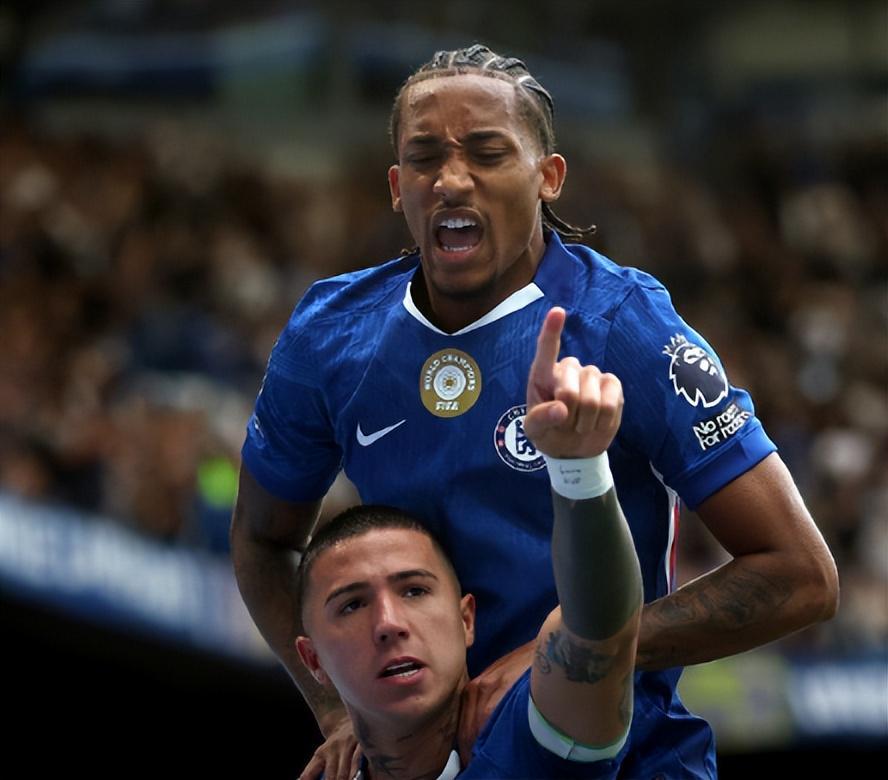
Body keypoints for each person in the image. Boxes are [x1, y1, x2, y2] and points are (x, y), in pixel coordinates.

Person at [230, 44, 839, 780]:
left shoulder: (624, 326)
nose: (451, 180)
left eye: (486, 153)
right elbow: (262, 539)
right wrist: (334, 707)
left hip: (621, 758)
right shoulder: (330, 335)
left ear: (548, 176)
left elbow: (802, 575)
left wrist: (565, 655)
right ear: (396, 186)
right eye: (425, 158)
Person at [296, 309, 641, 778]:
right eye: (352, 605)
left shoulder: (536, 746)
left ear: (466, 620)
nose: (388, 624)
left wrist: (579, 468)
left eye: (414, 590)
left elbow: (598, 627)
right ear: (313, 660)